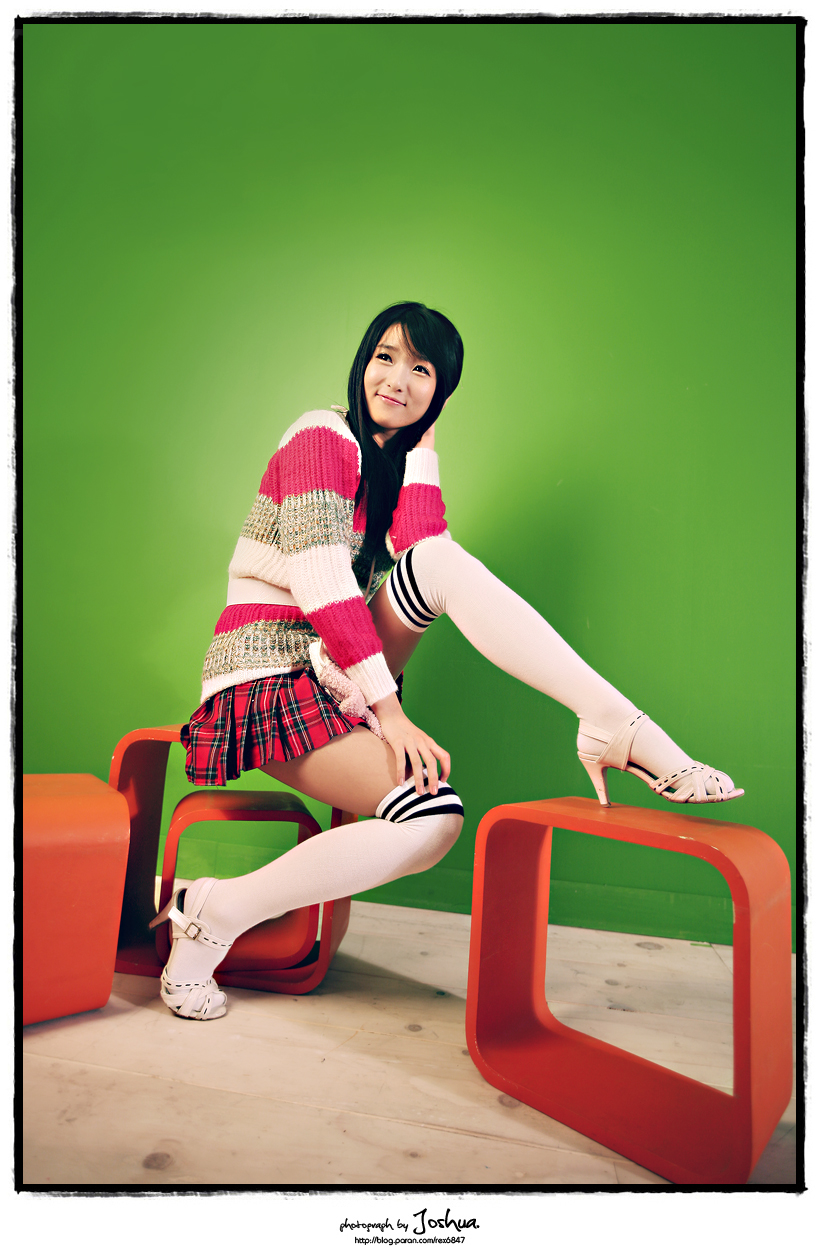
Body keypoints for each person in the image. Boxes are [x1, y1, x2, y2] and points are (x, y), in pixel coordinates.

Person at [151, 300, 742, 1021]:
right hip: (266, 676)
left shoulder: (389, 460)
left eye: (422, 370)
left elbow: (426, 547)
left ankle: (610, 721)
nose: (396, 379)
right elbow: (321, 578)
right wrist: (389, 712)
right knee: (434, 820)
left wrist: (422, 444)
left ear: (442, 391)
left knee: (435, 565)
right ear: (363, 361)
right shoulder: (319, 435)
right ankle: (214, 913)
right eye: (385, 357)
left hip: (332, 669)